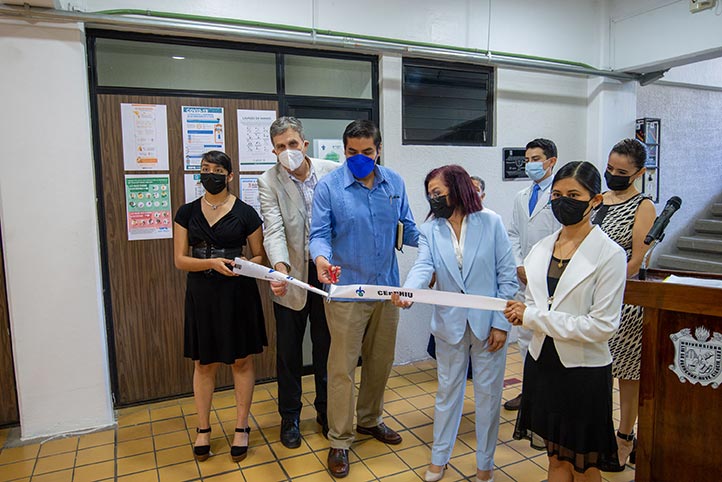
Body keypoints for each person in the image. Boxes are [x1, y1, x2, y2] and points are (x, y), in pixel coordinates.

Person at [392, 165, 518, 482]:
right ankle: (439, 459)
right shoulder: (431, 229)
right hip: (450, 326)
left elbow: (507, 278)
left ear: (458, 189)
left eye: (438, 192)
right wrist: (410, 291)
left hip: (488, 326)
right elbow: (424, 265)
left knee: (489, 398)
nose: (433, 199)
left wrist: (501, 324)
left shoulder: (491, 222)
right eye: (430, 194)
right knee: (447, 394)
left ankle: (485, 464)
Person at [504, 161, 627, 482]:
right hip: (542, 364)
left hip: (583, 371)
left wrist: (532, 316)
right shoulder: (541, 249)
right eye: (556, 195)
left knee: (583, 465)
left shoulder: (609, 254)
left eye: (573, 194)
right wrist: (521, 313)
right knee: (555, 458)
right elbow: (533, 304)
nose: (563, 202)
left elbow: (602, 326)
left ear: (595, 200)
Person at [309, 119, 419, 478]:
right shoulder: (329, 188)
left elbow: (409, 226)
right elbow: (320, 234)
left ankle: (370, 419)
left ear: (378, 150)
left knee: (380, 361)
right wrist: (321, 258)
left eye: (367, 152)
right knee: (342, 368)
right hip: (346, 293)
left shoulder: (394, 183)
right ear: (345, 151)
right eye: (353, 152)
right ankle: (340, 440)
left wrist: (445, 240)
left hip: (387, 289)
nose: (360, 158)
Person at [173, 150, 267, 463]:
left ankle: (242, 427)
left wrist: (240, 264)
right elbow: (180, 259)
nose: (209, 174)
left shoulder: (247, 212)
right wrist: (211, 262)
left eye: (216, 169)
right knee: (204, 363)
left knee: (240, 361)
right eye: (204, 169)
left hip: (237, 292)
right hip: (201, 293)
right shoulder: (186, 212)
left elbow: (259, 256)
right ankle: (203, 428)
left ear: (229, 176)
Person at [257, 117, 338, 448]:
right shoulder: (268, 180)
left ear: (304, 143)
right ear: (273, 150)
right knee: (289, 353)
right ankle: (290, 417)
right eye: (280, 147)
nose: (287, 151)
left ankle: (326, 411)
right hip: (291, 276)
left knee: (326, 348)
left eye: (292, 144)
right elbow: (273, 228)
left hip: (327, 275)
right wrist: (278, 268)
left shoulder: (332, 171)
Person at [591, 138, 656, 471]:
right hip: (592, 299)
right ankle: (599, 434)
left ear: (638, 173)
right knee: (598, 371)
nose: (613, 174)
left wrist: (607, 283)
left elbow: (636, 260)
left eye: (621, 171)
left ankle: (624, 437)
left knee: (627, 375)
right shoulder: (599, 200)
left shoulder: (643, 205)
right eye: (610, 168)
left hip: (626, 301)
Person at [505, 138, 561, 411]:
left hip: (551, 277)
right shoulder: (521, 197)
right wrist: (518, 265)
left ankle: (549, 394)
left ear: (551, 161)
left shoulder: (560, 196)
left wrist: (540, 270)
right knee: (525, 337)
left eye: (536, 159)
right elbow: (514, 233)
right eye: (527, 160)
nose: (530, 165)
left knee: (549, 337)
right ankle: (529, 393)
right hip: (524, 275)